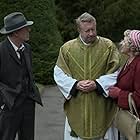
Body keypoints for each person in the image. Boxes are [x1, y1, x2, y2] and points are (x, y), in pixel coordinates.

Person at [54, 12, 121, 140]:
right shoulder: (67, 48)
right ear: (79, 30)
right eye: (87, 31)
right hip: (77, 104)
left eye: (93, 29)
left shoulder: (108, 46)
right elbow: (59, 73)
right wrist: (75, 84)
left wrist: (98, 84)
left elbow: (117, 72)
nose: (91, 33)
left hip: (102, 106)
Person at [0, 12, 42, 140]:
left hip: (28, 103)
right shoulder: (1, 50)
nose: (29, 30)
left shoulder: (27, 48)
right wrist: (2, 102)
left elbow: (28, 74)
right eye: (25, 28)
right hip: (9, 105)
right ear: (16, 32)